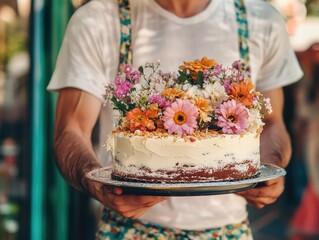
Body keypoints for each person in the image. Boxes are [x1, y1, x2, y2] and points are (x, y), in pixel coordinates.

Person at [48, 0, 303, 239]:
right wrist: (98, 186)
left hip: (229, 231)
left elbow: (272, 124)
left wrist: (268, 171)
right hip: (128, 230)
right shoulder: (99, 20)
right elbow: (72, 130)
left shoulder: (259, 20)